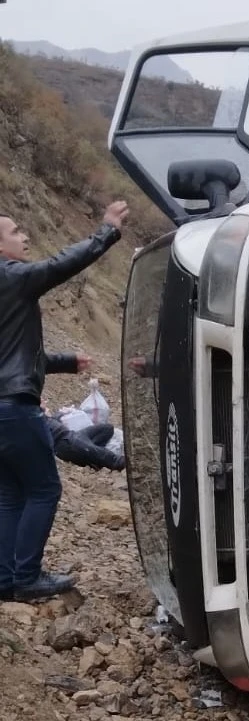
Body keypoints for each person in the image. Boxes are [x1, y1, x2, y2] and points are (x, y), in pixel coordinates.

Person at [0, 200, 129, 602]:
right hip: (14, 408)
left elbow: (9, 351)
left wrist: (62, 362)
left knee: (10, 494)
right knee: (44, 489)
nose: (25, 236)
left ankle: (6, 580)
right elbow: (58, 265)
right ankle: (27, 577)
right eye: (16, 231)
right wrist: (106, 230)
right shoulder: (11, 276)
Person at [46, 415, 125, 472]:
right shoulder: (34, 420)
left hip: (73, 434)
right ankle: (119, 461)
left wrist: (61, 414)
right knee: (114, 461)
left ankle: (92, 454)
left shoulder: (38, 413)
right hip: (64, 442)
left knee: (107, 428)